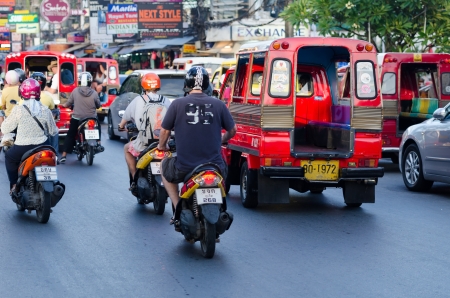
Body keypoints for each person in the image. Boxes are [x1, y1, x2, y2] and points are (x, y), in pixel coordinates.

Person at [157, 66, 237, 224]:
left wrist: (161, 147)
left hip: (185, 166)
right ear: (207, 85)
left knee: (164, 167)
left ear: (186, 84)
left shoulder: (177, 104)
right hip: (215, 166)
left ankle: (177, 207)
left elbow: (165, 131)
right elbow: (233, 130)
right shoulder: (219, 104)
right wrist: (222, 139)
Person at [1, 78, 58, 193]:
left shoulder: (18, 109)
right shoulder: (45, 110)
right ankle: (54, 182)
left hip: (22, 146)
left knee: (9, 158)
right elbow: (53, 131)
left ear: (22, 93)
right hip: (43, 145)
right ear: (38, 93)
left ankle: (14, 186)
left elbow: (5, 128)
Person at [118, 72, 171, 190]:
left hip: (144, 144)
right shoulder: (166, 100)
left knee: (127, 148)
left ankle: (134, 180)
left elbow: (125, 118)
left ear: (143, 86)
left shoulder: (138, 100)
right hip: (163, 143)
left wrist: (121, 126)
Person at [59, 72, 102, 164]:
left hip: (77, 118)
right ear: (90, 82)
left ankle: (63, 155)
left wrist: (63, 105)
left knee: (70, 135)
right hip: (92, 118)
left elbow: (68, 103)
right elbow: (98, 105)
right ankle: (99, 143)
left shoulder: (75, 91)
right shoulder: (94, 93)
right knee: (98, 126)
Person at [30, 72, 60, 155]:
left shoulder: (25, 98)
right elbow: (52, 111)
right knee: (55, 132)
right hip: (44, 126)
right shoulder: (48, 97)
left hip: (29, 128)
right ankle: (55, 154)